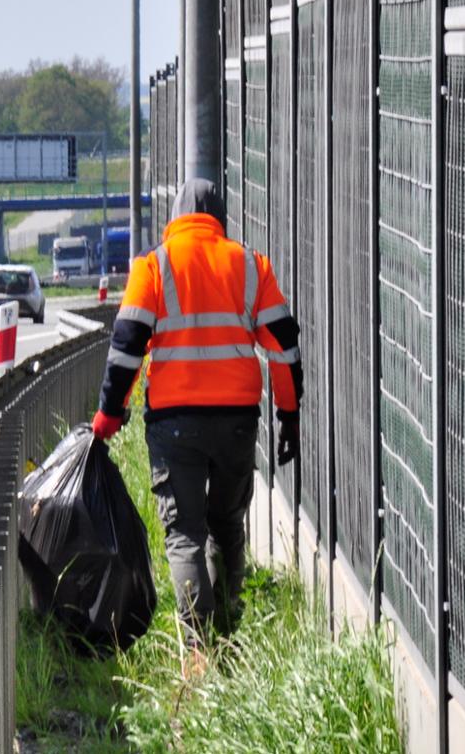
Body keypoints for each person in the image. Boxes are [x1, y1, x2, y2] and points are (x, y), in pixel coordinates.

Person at [91, 177, 304, 637]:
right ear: (219, 220)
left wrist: (110, 412)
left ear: (175, 219)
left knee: (184, 533)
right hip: (237, 420)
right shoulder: (251, 266)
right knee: (227, 524)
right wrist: (288, 415)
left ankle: (198, 645)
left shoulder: (154, 265)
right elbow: (284, 348)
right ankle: (228, 625)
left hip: (175, 423)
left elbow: (126, 346)